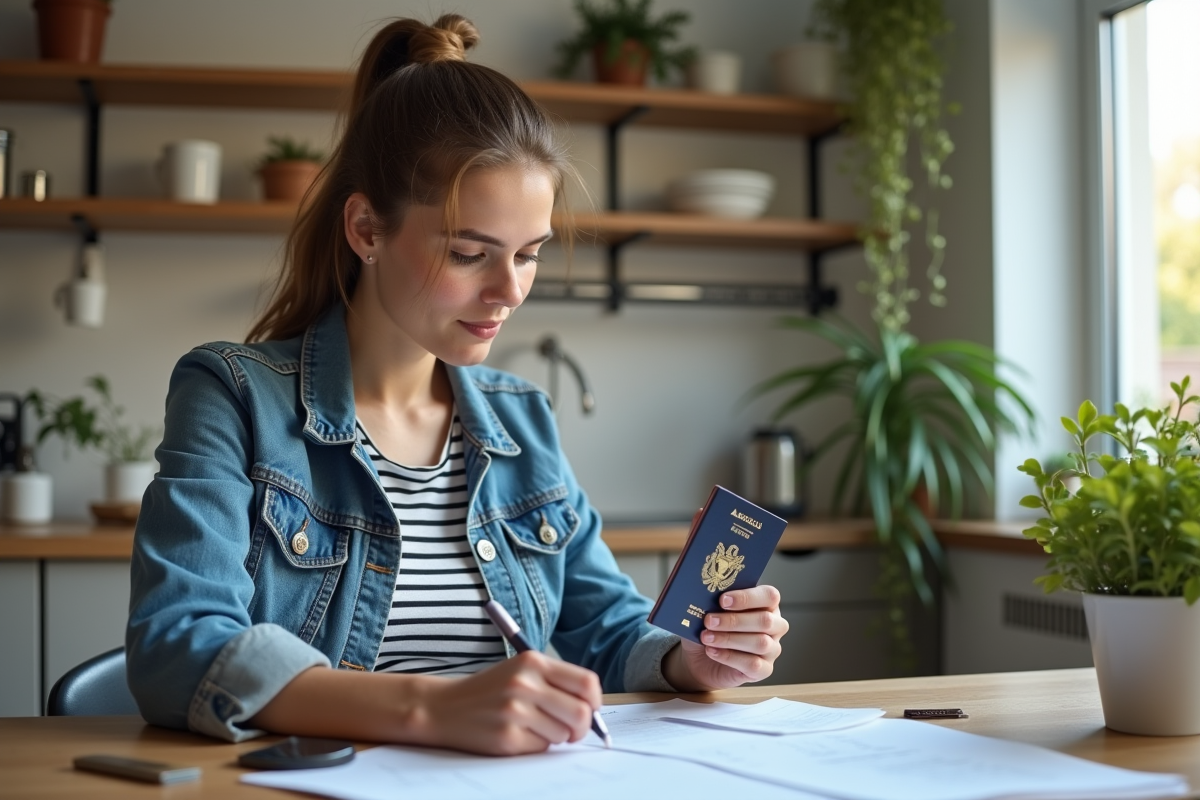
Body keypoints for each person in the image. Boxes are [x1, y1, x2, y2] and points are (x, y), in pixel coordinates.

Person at [125, 14, 788, 757]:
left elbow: (602, 628)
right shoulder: (233, 395)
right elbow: (177, 646)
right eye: (471, 252)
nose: (508, 291)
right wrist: (429, 708)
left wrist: (688, 658)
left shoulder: (521, 419)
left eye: (529, 255)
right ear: (367, 230)